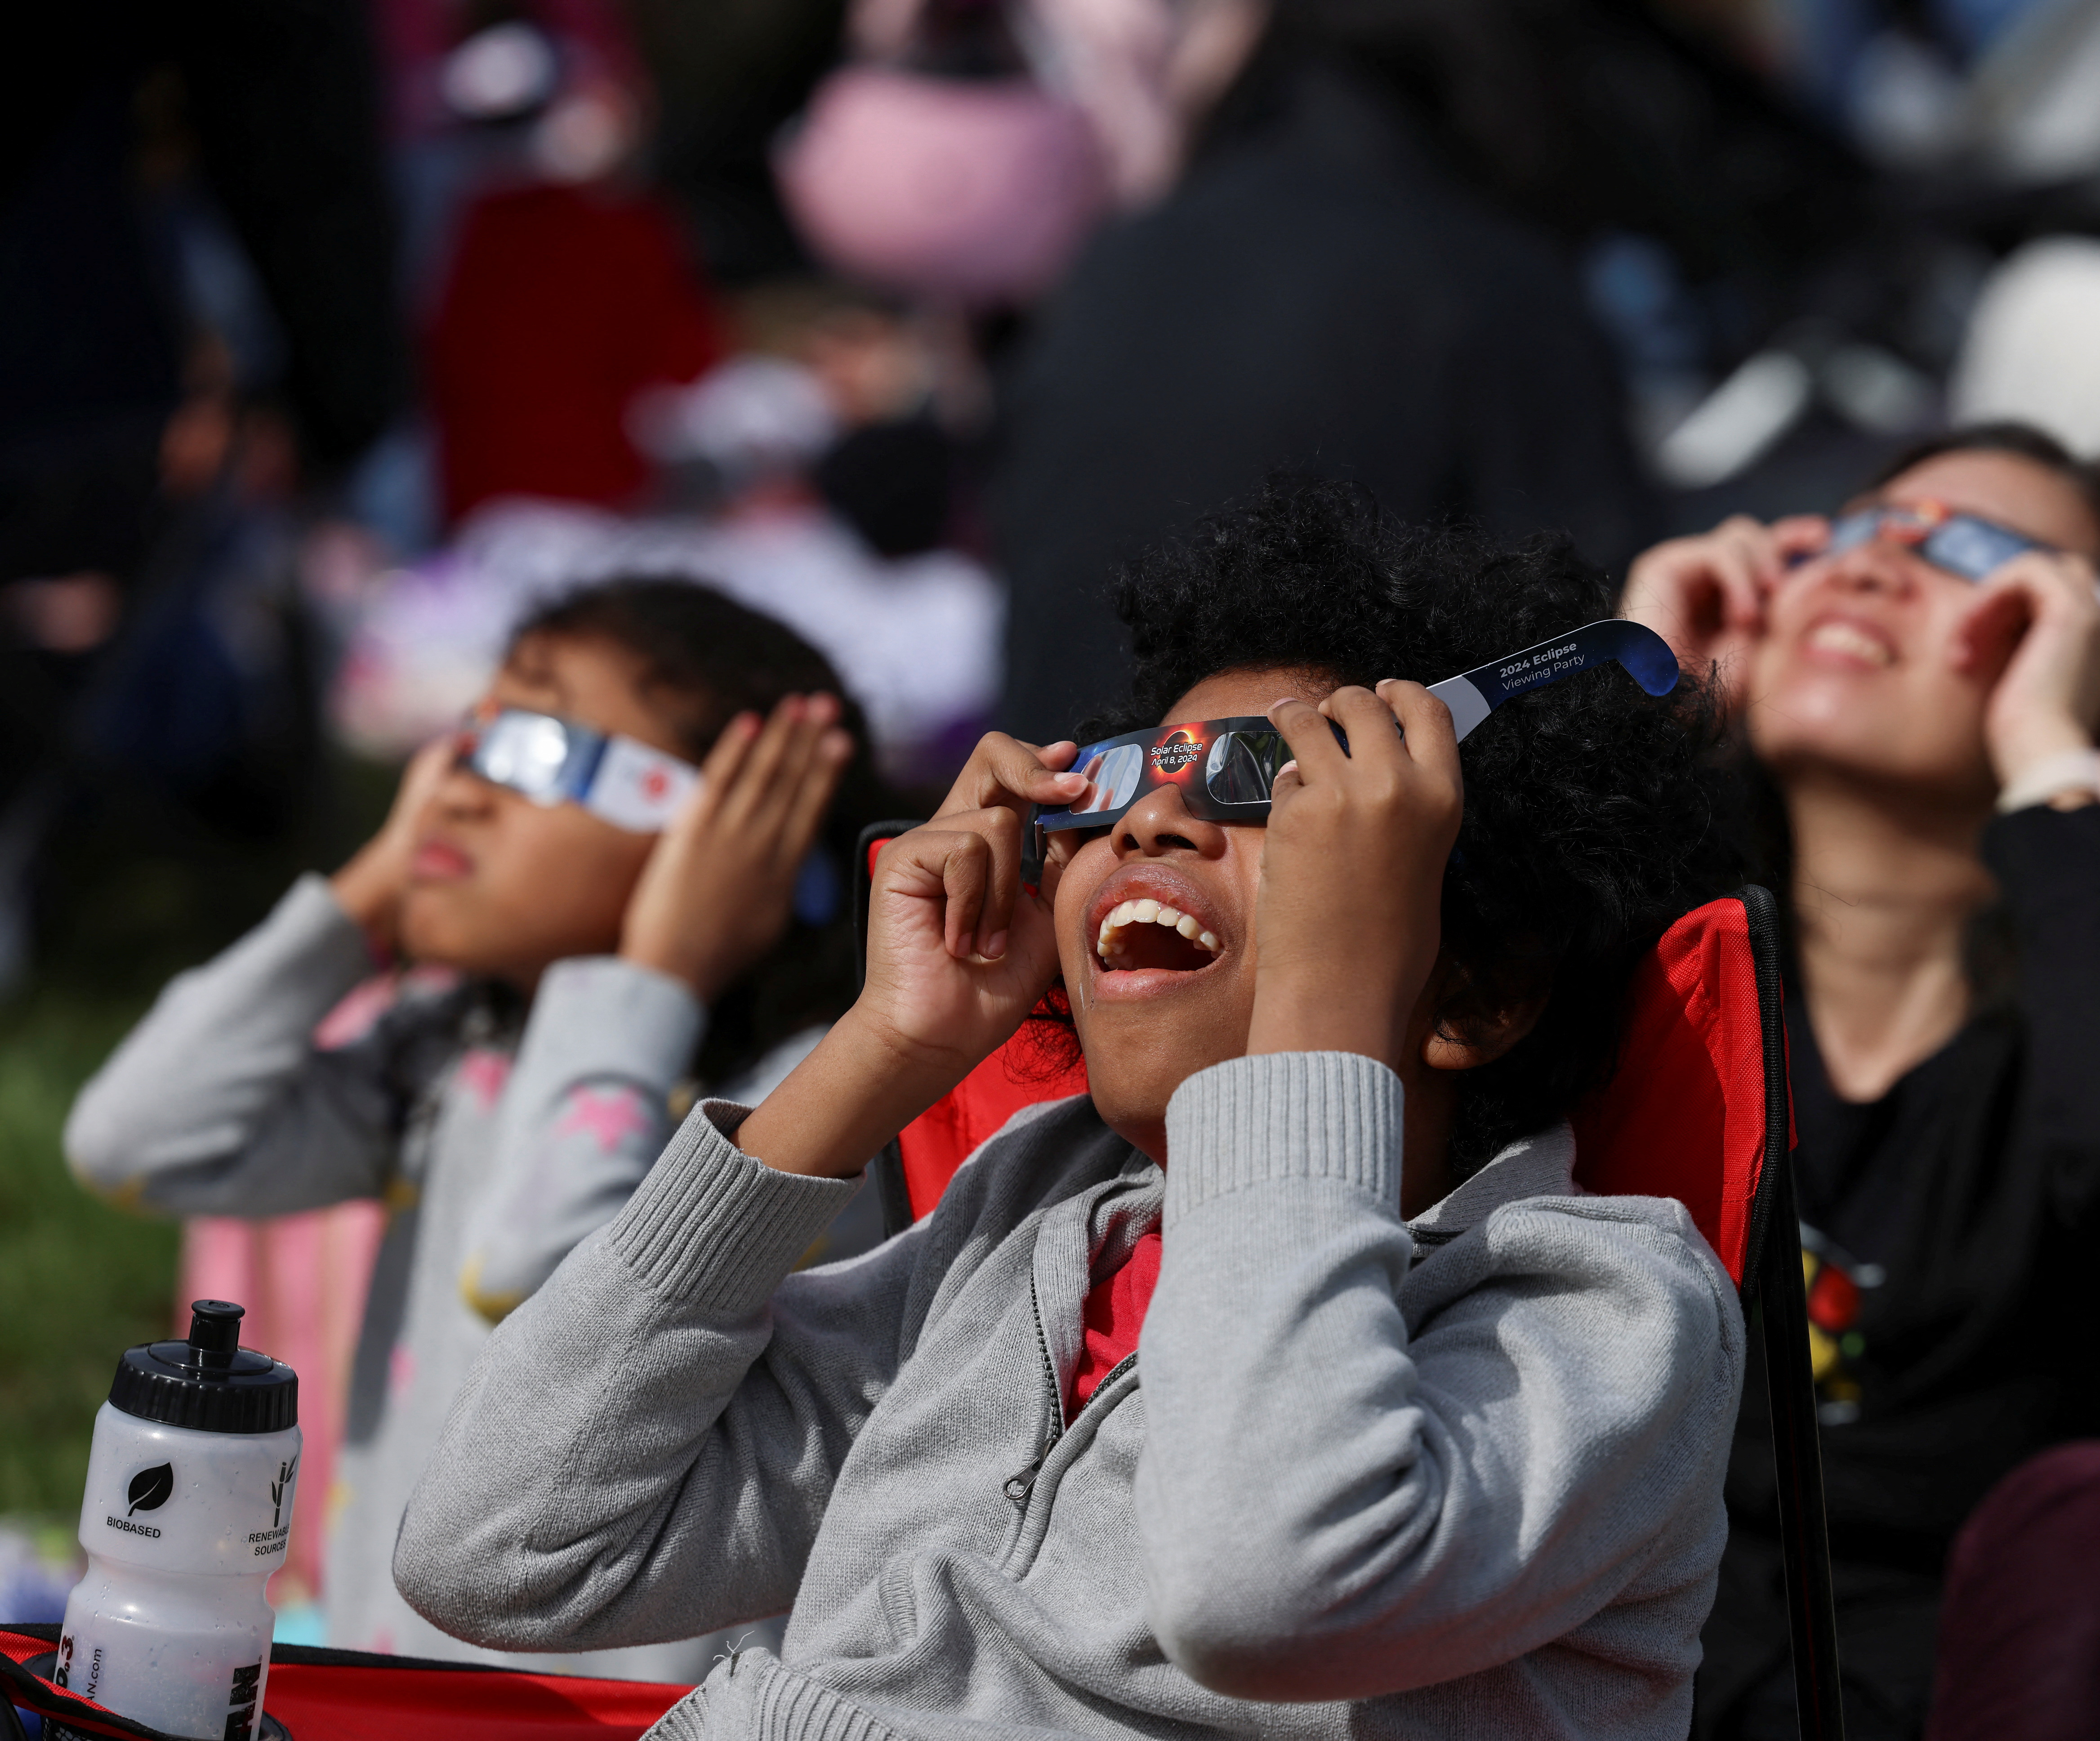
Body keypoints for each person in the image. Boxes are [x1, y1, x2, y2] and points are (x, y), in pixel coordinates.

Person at [392, 479, 1749, 1736]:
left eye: (1269, 790)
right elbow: (501, 1548)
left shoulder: (1606, 1313)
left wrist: (1326, 1013)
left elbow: (1266, 1592)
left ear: (1476, 994)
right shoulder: (1029, 1227)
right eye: (1118, 783)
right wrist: (887, 1042)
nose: (1152, 825)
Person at [65, 578, 883, 1677]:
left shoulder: (804, 1113)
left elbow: (545, 1286)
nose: (453, 789)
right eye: (472, 739)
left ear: (735, 836)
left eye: (535, 750)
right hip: (394, 1693)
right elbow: (137, 1140)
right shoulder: (455, 1058)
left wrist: (655, 975)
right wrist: (367, 894)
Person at [1624, 424, 2100, 1740]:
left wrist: (2048, 750)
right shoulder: (1660, 980)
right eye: (1854, 531)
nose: (1878, 570)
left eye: (1980, 560)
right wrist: (1633, 716)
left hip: (2017, 1696)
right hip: (1683, 1693)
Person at [984, 0, 1658, 746]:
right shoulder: (1488, 274)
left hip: (1061, 807)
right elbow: (1588, 660)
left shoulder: (1110, 267)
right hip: (1289, 819)